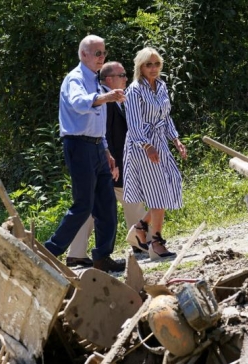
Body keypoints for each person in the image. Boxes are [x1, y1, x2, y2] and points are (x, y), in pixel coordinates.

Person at [43, 35, 126, 273]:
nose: (102, 57)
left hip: (97, 147)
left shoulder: (94, 81)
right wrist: (108, 97)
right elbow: (80, 104)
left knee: (107, 204)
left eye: (103, 53)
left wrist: (107, 150)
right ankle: (49, 252)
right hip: (78, 146)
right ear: (83, 55)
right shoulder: (75, 79)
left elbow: (97, 121)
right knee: (83, 205)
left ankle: (102, 257)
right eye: (97, 53)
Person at [65, 61, 147, 266]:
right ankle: (139, 241)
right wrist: (111, 162)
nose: (126, 78)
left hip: (111, 163)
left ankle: (77, 252)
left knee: (97, 207)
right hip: (109, 164)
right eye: (122, 75)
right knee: (122, 200)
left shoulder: (114, 99)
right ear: (109, 79)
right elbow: (105, 135)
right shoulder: (106, 100)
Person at [123, 47, 188, 260]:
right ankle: (156, 242)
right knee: (158, 194)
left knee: (172, 183)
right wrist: (146, 146)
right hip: (142, 145)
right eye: (148, 64)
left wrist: (175, 139)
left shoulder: (161, 86)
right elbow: (133, 124)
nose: (153, 68)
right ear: (140, 67)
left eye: (156, 64)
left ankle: (141, 227)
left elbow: (166, 117)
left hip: (160, 141)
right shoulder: (134, 90)